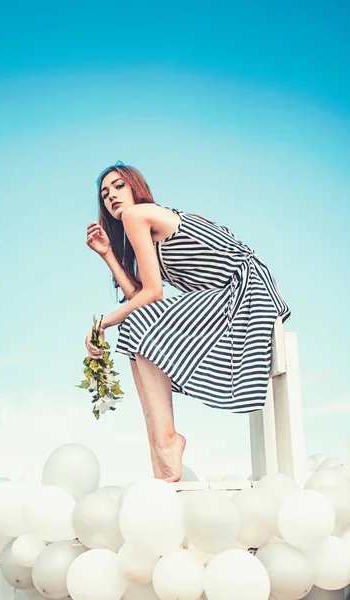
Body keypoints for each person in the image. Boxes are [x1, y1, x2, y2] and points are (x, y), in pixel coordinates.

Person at [84, 163, 290, 483]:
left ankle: (166, 442)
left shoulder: (137, 215)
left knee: (134, 326)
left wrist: (102, 324)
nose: (111, 196)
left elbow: (152, 295)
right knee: (136, 331)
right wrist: (108, 254)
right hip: (227, 295)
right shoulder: (146, 229)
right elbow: (139, 294)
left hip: (244, 291)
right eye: (105, 194)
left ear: (135, 187)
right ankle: (160, 445)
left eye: (118, 186)